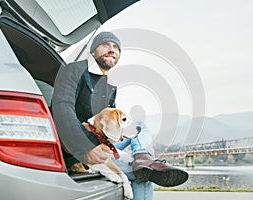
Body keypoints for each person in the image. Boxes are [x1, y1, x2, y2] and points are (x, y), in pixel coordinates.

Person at [52, 32, 188, 200]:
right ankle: (144, 164)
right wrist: (85, 146)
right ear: (93, 51)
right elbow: (62, 109)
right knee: (144, 177)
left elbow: (113, 127)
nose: (112, 49)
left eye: (116, 47)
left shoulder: (109, 86)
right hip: (79, 141)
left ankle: (143, 159)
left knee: (140, 127)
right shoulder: (74, 70)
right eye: (106, 45)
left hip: (103, 141)